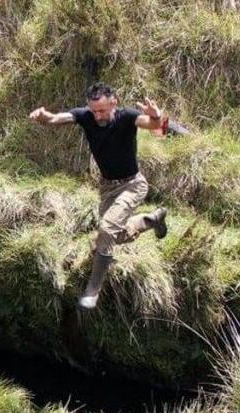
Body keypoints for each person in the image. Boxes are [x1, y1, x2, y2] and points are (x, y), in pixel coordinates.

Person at [29, 83, 167, 309]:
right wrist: (44, 116)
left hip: (132, 184)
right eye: (94, 110)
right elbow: (56, 119)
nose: (98, 115)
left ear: (114, 102)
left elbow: (153, 125)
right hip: (107, 188)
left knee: (106, 229)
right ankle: (151, 219)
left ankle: (93, 289)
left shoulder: (127, 117)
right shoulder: (86, 116)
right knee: (115, 235)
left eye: (102, 110)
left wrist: (156, 116)